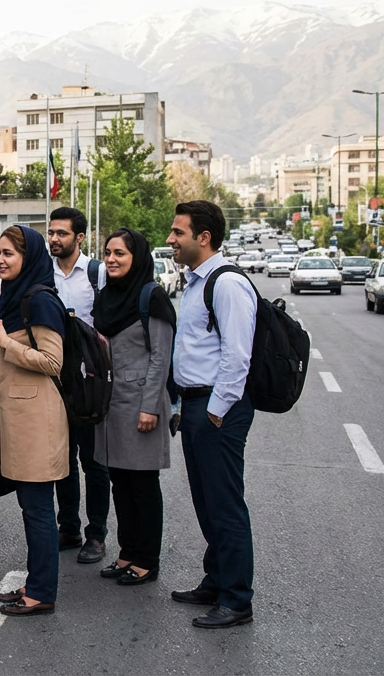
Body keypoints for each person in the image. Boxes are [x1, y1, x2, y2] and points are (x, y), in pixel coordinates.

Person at [166, 200, 258, 629]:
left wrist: (217, 412)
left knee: (224, 505)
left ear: (203, 238)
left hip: (219, 408)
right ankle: (217, 579)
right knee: (206, 501)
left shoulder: (226, 284)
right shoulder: (194, 281)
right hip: (196, 404)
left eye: (178, 232)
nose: (171, 239)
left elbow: (237, 357)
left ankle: (237, 599)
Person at [0, 225, 68, 616]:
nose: (0, 259)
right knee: (30, 507)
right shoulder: (14, 296)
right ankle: (37, 581)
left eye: (9, 254)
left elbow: (53, 362)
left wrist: (5, 343)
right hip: (20, 421)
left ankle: (41, 593)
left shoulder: (41, 301)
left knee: (37, 510)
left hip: (39, 423)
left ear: (29, 258)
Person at [92, 228, 176, 587]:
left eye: (120, 254)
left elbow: (161, 357)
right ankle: (127, 553)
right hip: (111, 403)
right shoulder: (107, 296)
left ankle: (146, 559)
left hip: (141, 402)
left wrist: (151, 408)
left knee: (142, 484)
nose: (111, 259)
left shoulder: (151, 297)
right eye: (108, 252)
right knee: (120, 483)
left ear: (136, 258)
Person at [48, 206, 110, 564]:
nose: (54, 239)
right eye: (52, 233)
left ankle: (96, 535)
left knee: (94, 462)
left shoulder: (96, 273)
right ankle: (68, 527)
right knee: (62, 461)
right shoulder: (43, 274)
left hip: (89, 384)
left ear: (80, 238)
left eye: (62, 234)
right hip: (55, 381)